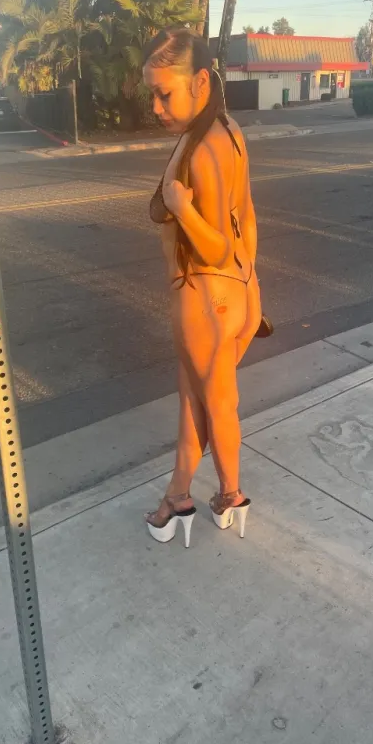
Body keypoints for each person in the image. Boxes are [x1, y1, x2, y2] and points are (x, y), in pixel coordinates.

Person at [143, 27, 263, 548]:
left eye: (164, 93)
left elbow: (213, 247)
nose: (156, 107)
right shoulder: (228, 131)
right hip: (236, 291)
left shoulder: (204, 151)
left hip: (203, 299)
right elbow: (247, 219)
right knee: (196, 403)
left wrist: (181, 208)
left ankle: (231, 494)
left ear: (199, 83)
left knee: (216, 405)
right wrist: (250, 288)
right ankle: (179, 497)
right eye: (152, 94)